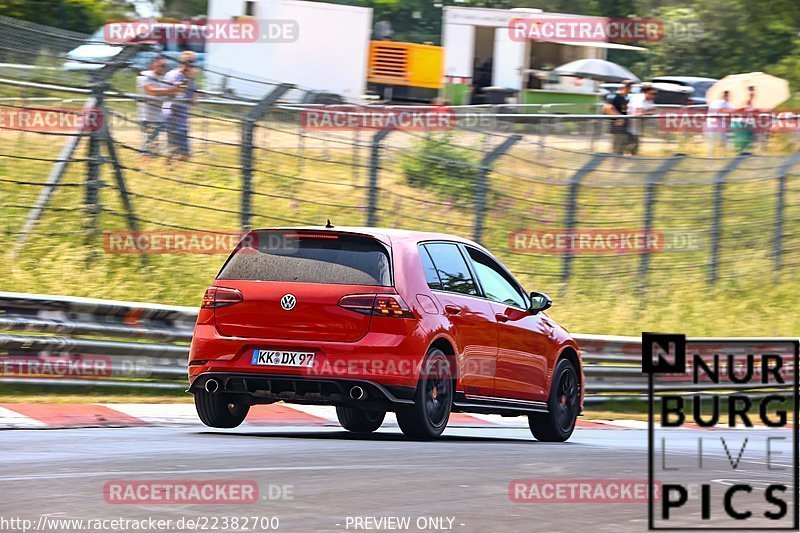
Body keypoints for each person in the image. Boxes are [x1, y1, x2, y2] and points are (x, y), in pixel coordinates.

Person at [136, 57, 184, 157]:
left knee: (155, 147)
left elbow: (169, 94)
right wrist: (172, 89)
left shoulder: (161, 79)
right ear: (153, 65)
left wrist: (179, 89)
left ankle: (147, 165)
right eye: (161, 66)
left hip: (158, 117)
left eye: (165, 66)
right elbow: (151, 91)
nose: (164, 68)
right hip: (148, 118)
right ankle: (142, 165)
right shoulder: (145, 76)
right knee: (148, 147)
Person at [163, 51, 199, 161]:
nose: (192, 65)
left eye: (193, 62)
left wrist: (191, 80)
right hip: (172, 115)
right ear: (182, 62)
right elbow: (172, 93)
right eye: (189, 62)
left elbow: (194, 99)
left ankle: (169, 170)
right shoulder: (174, 75)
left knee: (176, 151)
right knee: (182, 153)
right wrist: (188, 79)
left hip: (182, 117)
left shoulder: (190, 78)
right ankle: (170, 171)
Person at [603, 79, 635, 155]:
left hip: (623, 127)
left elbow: (623, 110)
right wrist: (620, 118)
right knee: (618, 149)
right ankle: (614, 163)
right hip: (617, 127)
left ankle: (618, 159)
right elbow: (607, 108)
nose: (631, 89)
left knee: (631, 141)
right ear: (627, 87)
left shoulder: (623, 98)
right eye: (630, 87)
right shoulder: (614, 96)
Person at [627, 83, 658, 155]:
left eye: (655, 94)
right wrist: (647, 112)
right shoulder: (639, 98)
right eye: (652, 93)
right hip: (630, 127)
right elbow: (639, 113)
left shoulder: (650, 100)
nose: (654, 96)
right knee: (630, 145)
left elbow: (652, 110)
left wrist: (645, 112)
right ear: (645, 92)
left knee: (635, 146)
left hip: (638, 127)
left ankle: (631, 159)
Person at [705, 90, 732, 156]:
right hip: (715, 126)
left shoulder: (724, 104)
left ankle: (722, 155)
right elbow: (721, 111)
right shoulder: (720, 103)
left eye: (728, 96)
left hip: (717, 126)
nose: (727, 97)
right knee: (715, 142)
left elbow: (729, 113)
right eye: (726, 96)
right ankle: (712, 156)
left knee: (721, 142)